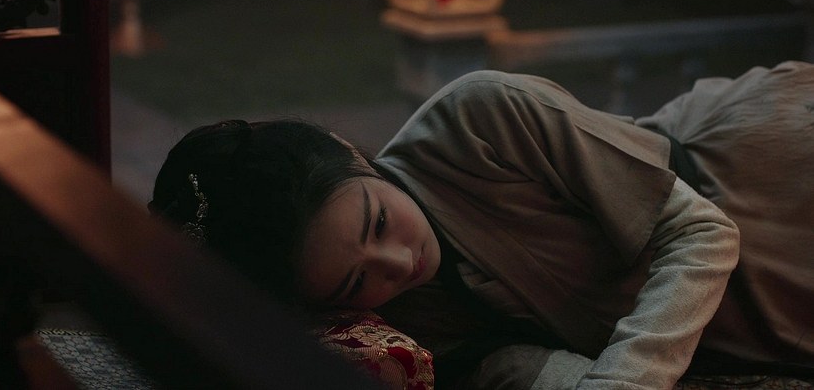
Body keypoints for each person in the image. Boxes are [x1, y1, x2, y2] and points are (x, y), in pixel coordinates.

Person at [148, 61, 814, 389]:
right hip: (723, 312)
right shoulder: (396, 326)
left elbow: (702, 232)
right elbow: (513, 364)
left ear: (350, 151)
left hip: (762, 173)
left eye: (378, 221)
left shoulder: (481, 116)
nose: (397, 263)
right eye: (355, 281)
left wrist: (619, 383)